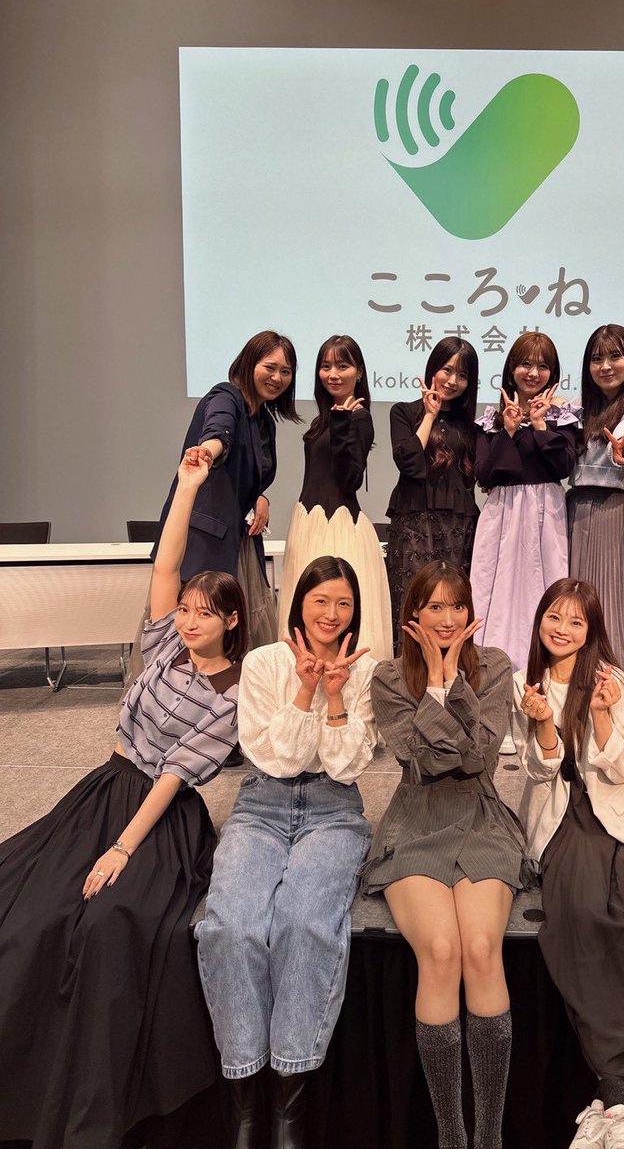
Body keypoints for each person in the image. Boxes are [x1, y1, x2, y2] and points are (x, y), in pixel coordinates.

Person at [0, 451, 247, 1149]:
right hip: (106, 787)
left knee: (109, 923)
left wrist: (121, 848)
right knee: (29, 907)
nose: (189, 620)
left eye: (205, 614)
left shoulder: (233, 693)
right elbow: (165, 568)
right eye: (187, 611)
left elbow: (173, 777)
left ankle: (90, 1106)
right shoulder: (165, 644)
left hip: (159, 820)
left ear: (232, 620)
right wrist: (188, 487)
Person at [197, 555, 375, 1149]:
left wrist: (335, 695)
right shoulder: (264, 662)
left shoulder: (364, 667)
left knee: (305, 921)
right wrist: (304, 689)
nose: (331, 613)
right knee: (231, 924)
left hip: (334, 808)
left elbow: (347, 765)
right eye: (320, 600)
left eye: (344, 603)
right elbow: (273, 756)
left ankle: (289, 1102)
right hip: (262, 803)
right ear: (300, 603)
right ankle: (245, 1095)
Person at [513, 578, 624, 1149]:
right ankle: (615, 1095)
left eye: (576, 621)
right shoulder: (526, 683)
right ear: (540, 620)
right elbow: (540, 771)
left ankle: (613, 1097)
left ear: (591, 630)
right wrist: (543, 721)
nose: (562, 629)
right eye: (554, 617)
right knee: (581, 910)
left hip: (620, 812)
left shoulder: (611, 680)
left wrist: (602, 715)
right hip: (564, 817)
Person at [360, 561, 530, 1149]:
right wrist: (435, 682)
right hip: (415, 819)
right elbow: (421, 762)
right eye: (434, 606)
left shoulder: (497, 667)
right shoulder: (388, 677)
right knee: (440, 950)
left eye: (457, 606)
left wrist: (455, 679)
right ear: (414, 613)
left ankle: (490, 1135)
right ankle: (452, 1137)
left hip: (480, 816)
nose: (448, 618)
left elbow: (479, 758)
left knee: (480, 948)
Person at [153, 328, 298, 650]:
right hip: (203, 543)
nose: (277, 377)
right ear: (248, 363)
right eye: (270, 367)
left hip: (239, 544)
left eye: (286, 372)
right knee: (193, 632)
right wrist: (207, 451)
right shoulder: (226, 395)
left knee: (231, 636)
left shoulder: (264, 420)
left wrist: (260, 497)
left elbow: (252, 476)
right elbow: (219, 431)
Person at [470, 332, 580, 670]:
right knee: (493, 588)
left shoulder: (563, 414)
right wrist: (509, 430)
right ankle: (490, 668)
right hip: (502, 512)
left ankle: (543, 669)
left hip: (546, 512)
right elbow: (485, 475)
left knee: (545, 587)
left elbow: (564, 466)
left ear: (553, 373)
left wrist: (539, 423)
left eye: (542, 366)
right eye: (525, 364)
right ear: (511, 369)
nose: (533, 373)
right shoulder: (491, 419)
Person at [278, 334, 392, 661]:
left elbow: (349, 480)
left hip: (339, 527)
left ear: (359, 372)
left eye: (342, 366)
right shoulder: (324, 418)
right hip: (309, 523)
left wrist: (342, 423)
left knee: (335, 613)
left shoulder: (359, 416)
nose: (333, 374)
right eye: (325, 366)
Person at [568, 323, 624, 701]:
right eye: (596, 358)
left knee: (609, 603)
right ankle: (572, 693)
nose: (605, 366)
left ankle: (615, 694)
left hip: (614, 510)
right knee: (572, 603)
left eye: (615, 356)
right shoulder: (579, 408)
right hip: (574, 509)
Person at [385, 336, 480, 644]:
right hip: (414, 521)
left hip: (458, 527)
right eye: (447, 370)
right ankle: (410, 670)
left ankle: (451, 669)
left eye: (462, 375)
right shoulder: (404, 412)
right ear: (433, 369)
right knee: (413, 602)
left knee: (452, 605)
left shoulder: (471, 425)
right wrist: (429, 415)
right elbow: (410, 464)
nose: (452, 381)